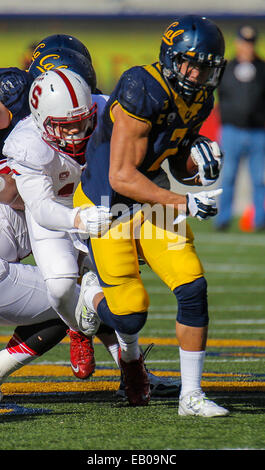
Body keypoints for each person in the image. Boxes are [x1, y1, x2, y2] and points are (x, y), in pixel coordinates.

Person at [73, 14, 229, 417]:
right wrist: (186, 203)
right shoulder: (142, 87)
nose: (196, 74)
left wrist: (199, 164)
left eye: (206, 66)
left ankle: (191, 396)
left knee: (192, 286)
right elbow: (122, 175)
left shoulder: (200, 98)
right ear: (170, 58)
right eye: (188, 63)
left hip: (150, 197)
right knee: (130, 314)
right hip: (107, 204)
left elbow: (176, 165)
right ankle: (91, 299)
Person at [215, 24, 265, 231]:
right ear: (237, 43)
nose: (247, 47)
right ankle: (222, 219)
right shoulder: (226, 68)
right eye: (244, 43)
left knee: (259, 179)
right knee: (227, 176)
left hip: (258, 132)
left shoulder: (263, 69)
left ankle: (260, 220)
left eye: (251, 43)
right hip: (232, 131)